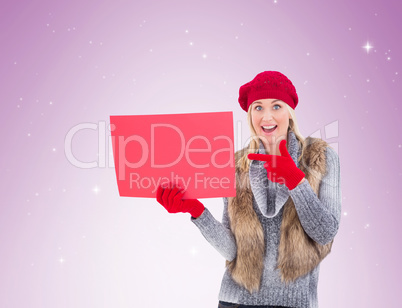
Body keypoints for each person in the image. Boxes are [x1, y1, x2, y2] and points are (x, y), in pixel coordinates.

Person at [155, 71, 342, 308]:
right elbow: (232, 251)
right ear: (250, 114)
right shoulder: (236, 165)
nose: (266, 116)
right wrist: (197, 210)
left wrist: (295, 180)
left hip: (293, 302)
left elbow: (325, 233)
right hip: (236, 301)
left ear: (290, 113)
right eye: (258, 107)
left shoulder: (320, 157)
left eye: (276, 106)